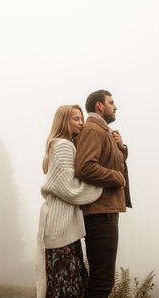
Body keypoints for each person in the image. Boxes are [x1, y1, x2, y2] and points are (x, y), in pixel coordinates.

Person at [35, 104, 102, 298]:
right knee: (67, 287)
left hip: (59, 226)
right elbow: (70, 190)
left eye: (81, 118)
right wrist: (100, 186)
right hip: (60, 227)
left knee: (61, 284)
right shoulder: (64, 145)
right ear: (64, 121)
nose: (81, 123)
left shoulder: (57, 144)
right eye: (76, 118)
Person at [75, 90, 132, 298]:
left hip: (105, 210)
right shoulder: (93, 130)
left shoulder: (103, 131)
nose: (115, 106)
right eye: (111, 102)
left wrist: (121, 148)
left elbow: (111, 161)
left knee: (101, 280)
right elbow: (85, 168)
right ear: (100, 106)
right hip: (100, 213)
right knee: (102, 282)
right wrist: (117, 178)